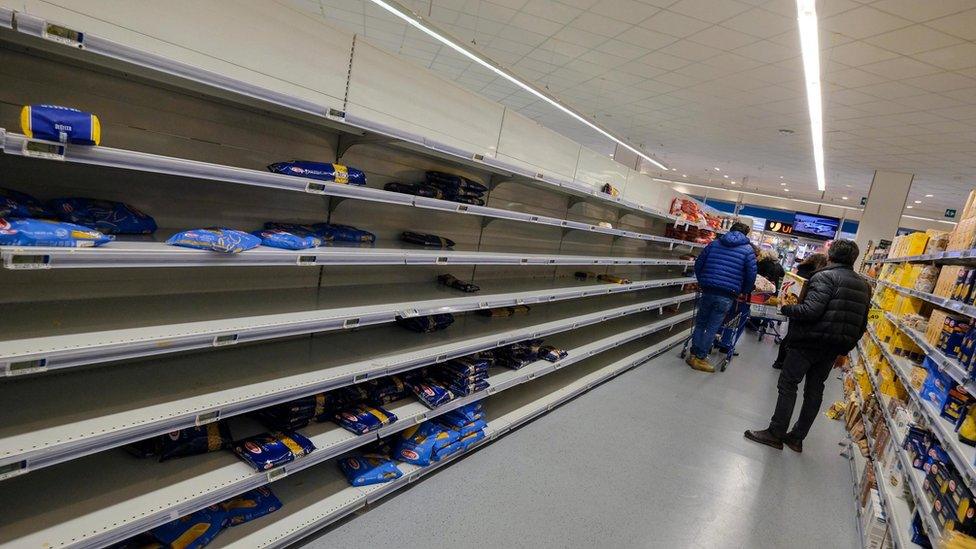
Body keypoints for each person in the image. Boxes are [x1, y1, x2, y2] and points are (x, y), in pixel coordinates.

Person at [744, 240, 871, 452]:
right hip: (832, 348)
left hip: (808, 341)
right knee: (814, 390)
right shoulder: (864, 286)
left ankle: (775, 433)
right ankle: (796, 438)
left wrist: (786, 308)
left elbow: (811, 311)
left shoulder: (823, 276)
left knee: (788, 384)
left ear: (831, 255)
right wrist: (844, 350)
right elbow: (862, 324)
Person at [686, 221, 758, 373]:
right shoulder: (747, 250)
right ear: (746, 234)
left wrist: (703, 281)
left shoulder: (714, 244)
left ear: (730, 230)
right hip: (727, 293)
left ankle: (693, 354)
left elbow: (699, 264)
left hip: (708, 290)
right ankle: (700, 358)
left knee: (700, 323)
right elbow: (751, 275)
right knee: (712, 327)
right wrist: (743, 290)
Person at [771, 253, 828, 370]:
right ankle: (782, 362)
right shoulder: (815, 275)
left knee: (790, 334)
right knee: (792, 336)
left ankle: (780, 361)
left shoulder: (801, 270)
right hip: (803, 308)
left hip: (793, 305)